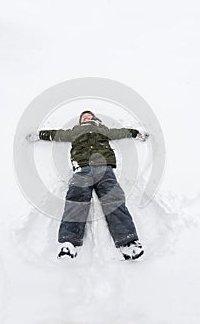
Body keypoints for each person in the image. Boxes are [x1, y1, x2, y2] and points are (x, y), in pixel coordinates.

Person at [26, 110, 149, 260]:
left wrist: (135, 133)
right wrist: (40, 135)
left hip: (104, 168)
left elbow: (120, 132)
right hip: (82, 168)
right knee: (76, 199)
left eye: (89, 116)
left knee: (114, 198)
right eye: (83, 117)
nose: (86, 118)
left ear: (95, 119)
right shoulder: (75, 131)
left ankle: (129, 242)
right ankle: (69, 243)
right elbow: (57, 134)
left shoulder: (103, 130)